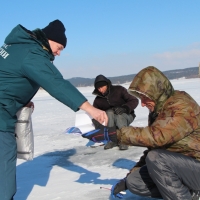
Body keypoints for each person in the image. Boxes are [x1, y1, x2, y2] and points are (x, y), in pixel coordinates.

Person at [0, 19, 108, 200]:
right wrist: (90, 109)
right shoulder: (32, 53)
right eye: (59, 47)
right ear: (48, 39)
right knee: (4, 162)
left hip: (5, 108)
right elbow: (55, 83)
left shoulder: (17, 46)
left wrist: (22, 100)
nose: (58, 53)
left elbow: (9, 78)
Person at [82, 66, 200, 200]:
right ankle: (190, 193)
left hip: (195, 164)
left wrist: (114, 134)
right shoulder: (158, 109)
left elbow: (157, 137)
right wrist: (126, 181)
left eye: (145, 98)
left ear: (157, 92)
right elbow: (152, 148)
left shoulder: (181, 106)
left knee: (157, 159)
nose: (142, 104)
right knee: (135, 182)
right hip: (178, 166)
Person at [92, 74, 139, 150]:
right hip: (111, 120)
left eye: (102, 87)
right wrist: (96, 123)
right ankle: (112, 140)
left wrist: (125, 108)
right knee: (109, 112)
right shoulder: (98, 99)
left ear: (107, 84)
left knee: (119, 116)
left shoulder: (119, 90)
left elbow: (134, 100)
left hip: (127, 115)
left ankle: (124, 141)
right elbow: (94, 111)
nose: (100, 90)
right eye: (98, 88)